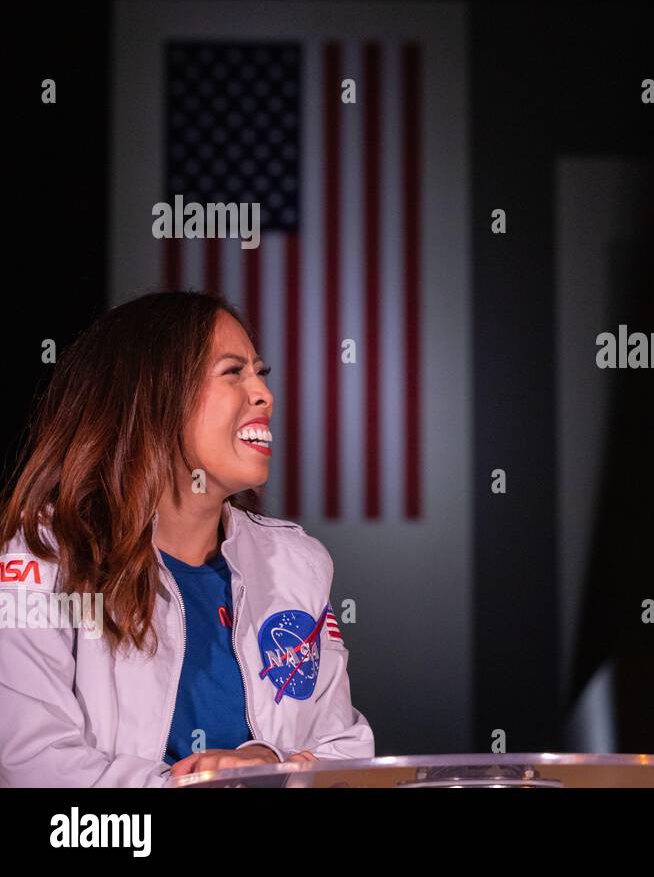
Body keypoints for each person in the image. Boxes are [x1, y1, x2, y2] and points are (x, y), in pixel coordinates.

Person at [0, 291, 374, 787]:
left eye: (260, 373)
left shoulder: (296, 561)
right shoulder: (43, 556)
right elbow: (29, 765)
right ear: (151, 395)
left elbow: (344, 749)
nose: (264, 394)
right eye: (233, 373)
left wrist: (265, 761)